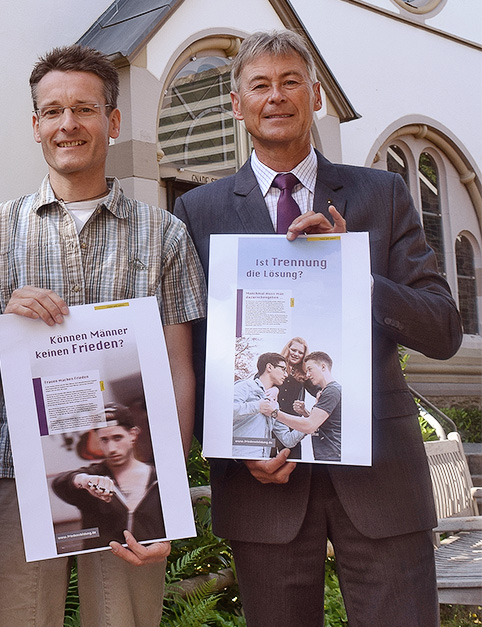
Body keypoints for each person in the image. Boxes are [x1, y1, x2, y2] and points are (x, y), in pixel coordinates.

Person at [173, 29, 463, 626]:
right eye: (259, 85)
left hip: (380, 473)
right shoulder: (197, 213)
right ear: (236, 103)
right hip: (263, 481)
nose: (275, 96)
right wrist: (235, 446)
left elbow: (443, 330)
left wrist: (354, 273)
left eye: (289, 82)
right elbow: (191, 355)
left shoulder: (379, 193)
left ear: (316, 96)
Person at [0, 45, 205, 627]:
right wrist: (3, 335)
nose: (69, 124)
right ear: (36, 125)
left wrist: (163, 489)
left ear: (112, 122)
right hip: (19, 468)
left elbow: (176, 366)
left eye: (85, 110)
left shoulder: (163, 232)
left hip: (129, 476)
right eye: (54, 111)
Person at [51, 409, 165, 550]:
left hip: (150, 559)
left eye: (117, 438)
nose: (111, 449)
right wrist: (84, 481)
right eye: (104, 440)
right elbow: (60, 483)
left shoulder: (158, 477)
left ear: (133, 434)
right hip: (104, 563)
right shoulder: (93, 475)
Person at [232, 352, 304, 458]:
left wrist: (310, 422)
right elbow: (225, 413)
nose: (286, 374)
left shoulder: (274, 405)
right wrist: (257, 406)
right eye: (283, 369)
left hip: (262, 463)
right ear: (269, 367)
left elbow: (288, 440)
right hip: (238, 462)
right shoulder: (245, 386)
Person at [275, 351, 342, 462]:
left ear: (323, 367)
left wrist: (274, 413)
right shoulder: (326, 392)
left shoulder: (332, 391)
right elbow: (320, 424)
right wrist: (305, 413)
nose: (307, 375)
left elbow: (310, 426)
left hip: (332, 455)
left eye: (310, 369)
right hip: (325, 454)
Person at [272, 337, 317, 459]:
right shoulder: (274, 366)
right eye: (294, 350)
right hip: (270, 422)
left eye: (300, 352)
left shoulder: (304, 375)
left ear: (303, 356)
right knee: (268, 458)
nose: (296, 354)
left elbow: (319, 391)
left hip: (291, 425)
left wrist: (306, 411)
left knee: (293, 462)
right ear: (288, 349)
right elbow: (259, 380)